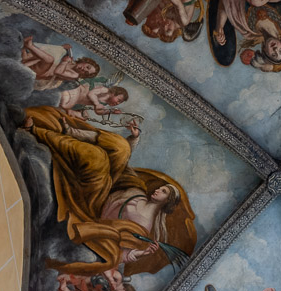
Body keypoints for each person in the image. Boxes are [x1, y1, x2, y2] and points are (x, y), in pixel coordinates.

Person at [21, 106, 196, 276]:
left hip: (95, 203)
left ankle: (36, 131)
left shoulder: (143, 227)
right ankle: (72, 132)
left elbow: (117, 250)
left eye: (163, 191)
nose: (157, 189)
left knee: (96, 158)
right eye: (161, 188)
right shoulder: (140, 190)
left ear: (167, 202)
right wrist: (133, 139)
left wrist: (138, 254)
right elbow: (123, 166)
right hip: (111, 182)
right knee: (121, 147)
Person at [21, 37, 100, 89]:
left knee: (50, 60)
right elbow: (59, 55)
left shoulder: (74, 75)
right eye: (87, 67)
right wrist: (63, 48)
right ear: (86, 61)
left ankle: (29, 46)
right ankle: (26, 54)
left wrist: (64, 62)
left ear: (83, 75)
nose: (84, 69)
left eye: (85, 72)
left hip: (39, 73)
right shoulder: (72, 62)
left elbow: (58, 72)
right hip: (37, 65)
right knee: (53, 54)